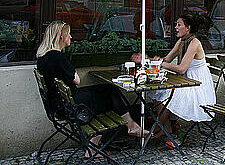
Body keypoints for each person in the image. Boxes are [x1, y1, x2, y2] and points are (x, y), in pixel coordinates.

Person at [36, 21, 148, 158]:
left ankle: (129, 127)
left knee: (107, 89)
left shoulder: (43, 57)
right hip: (70, 107)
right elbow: (77, 80)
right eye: (69, 34)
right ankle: (96, 145)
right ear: (60, 36)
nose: (71, 37)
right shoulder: (57, 57)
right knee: (108, 97)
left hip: (58, 104)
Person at [133, 12, 215, 148]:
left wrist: (160, 63)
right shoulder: (182, 41)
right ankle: (166, 129)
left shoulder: (194, 43)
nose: (175, 27)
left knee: (167, 96)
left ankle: (158, 129)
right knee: (158, 93)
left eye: (179, 25)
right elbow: (166, 60)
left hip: (197, 88)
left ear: (187, 28)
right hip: (185, 83)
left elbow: (181, 69)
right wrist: (147, 59)